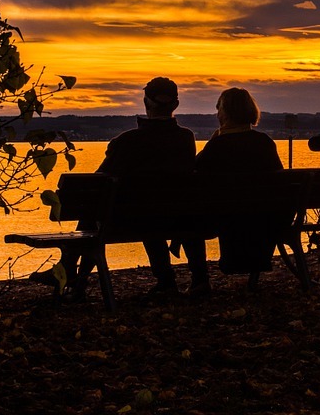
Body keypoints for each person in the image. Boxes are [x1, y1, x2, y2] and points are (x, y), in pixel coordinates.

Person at [31, 77, 208, 297]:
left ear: (146, 102)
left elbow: (97, 183)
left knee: (95, 207)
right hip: (177, 218)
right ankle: (170, 281)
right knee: (127, 209)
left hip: (132, 220)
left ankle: (72, 274)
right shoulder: (186, 138)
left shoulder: (128, 141)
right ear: (176, 105)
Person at [195, 87, 284, 290]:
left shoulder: (218, 146)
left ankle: (199, 280)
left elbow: (196, 169)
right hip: (265, 217)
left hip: (228, 217)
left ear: (224, 113)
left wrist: (214, 140)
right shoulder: (264, 143)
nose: (217, 114)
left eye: (218, 109)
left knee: (190, 218)